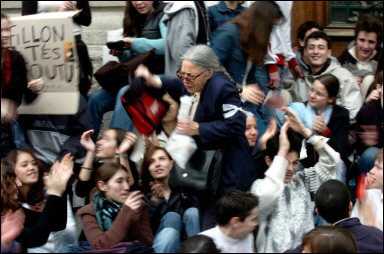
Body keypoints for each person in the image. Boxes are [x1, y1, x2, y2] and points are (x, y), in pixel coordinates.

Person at [135, 45, 256, 230]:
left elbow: (237, 125)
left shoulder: (222, 87)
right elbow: (176, 85)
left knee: (220, 230)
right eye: (182, 74)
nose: (185, 80)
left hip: (228, 174)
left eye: (190, 76)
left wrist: (199, 128)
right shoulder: (191, 83)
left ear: (208, 73)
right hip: (205, 175)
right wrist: (154, 80)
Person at [250, 107, 340, 253]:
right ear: (268, 161)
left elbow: (332, 161)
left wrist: (306, 132)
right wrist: (282, 150)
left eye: (295, 162)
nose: (291, 169)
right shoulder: (259, 186)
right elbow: (266, 197)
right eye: (286, 162)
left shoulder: (303, 180)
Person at [88, 1, 167, 141]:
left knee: (125, 94)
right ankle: (85, 151)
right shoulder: (132, 18)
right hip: (132, 79)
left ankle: (114, 151)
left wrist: (135, 43)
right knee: (95, 100)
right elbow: (130, 60)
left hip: (154, 80)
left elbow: (166, 44)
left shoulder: (163, 15)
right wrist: (122, 54)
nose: (139, 3)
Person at [210, 1, 283, 137]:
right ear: (263, 24)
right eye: (271, 26)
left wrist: (266, 98)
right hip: (224, 105)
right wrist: (240, 90)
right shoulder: (229, 34)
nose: (271, 32)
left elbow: (248, 79)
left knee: (263, 144)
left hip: (244, 104)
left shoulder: (253, 40)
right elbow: (211, 69)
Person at [277, 74, 349, 182]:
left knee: (339, 164)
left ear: (330, 99)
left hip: (328, 162)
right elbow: (294, 147)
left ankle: (337, 198)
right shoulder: (299, 111)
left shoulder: (341, 114)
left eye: (319, 94)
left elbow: (340, 151)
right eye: (312, 90)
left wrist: (325, 132)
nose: (312, 95)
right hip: (303, 161)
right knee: (292, 163)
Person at [5, 149, 77, 253]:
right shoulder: (4, 208)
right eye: (24, 165)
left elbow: (57, 224)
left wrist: (61, 185)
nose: (32, 168)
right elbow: (36, 237)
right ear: (11, 172)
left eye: (34, 163)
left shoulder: (17, 208)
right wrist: (55, 192)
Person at [285, 31, 362, 124]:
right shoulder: (302, 81)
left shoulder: (343, 76)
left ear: (329, 52)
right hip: (305, 132)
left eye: (321, 48)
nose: (315, 52)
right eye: (311, 47)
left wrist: (323, 124)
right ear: (305, 52)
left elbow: (353, 112)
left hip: (336, 132)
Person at [22, 1, 93, 99]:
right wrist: (57, 17)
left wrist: (74, 13)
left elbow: (87, 19)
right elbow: (26, 22)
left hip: (69, 45)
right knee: (51, 86)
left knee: (76, 84)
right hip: (47, 46)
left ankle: (78, 111)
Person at [75, 162, 153, 251]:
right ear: (102, 186)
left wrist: (133, 220)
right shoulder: (89, 212)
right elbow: (100, 246)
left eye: (127, 181)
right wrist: (125, 215)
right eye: (119, 181)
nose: (127, 187)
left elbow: (148, 244)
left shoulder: (138, 206)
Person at [140, 146, 200, 253]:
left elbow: (193, 217)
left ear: (171, 164)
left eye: (162, 159)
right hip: (159, 244)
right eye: (152, 162)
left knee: (192, 212)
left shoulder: (184, 189)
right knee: (172, 217)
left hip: (187, 244)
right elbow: (143, 230)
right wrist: (154, 202)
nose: (157, 164)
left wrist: (185, 196)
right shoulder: (144, 195)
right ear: (148, 169)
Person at [1, 13, 43, 158]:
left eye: (7, 29)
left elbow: (27, 98)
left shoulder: (16, 58)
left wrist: (35, 89)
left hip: (9, 130)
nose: (5, 34)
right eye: (1, 30)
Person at [338, 15, 382, 101]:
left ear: (377, 43)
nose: (365, 46)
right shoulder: (342, 61)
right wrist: (349, 82)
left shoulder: (381, 60)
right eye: (362, 40)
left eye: (371, 42)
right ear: (356, 40)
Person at [163, 1, 210, 77]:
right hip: (185, 79)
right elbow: (181, 51)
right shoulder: (184, 8)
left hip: (193, 77)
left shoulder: (199, 4)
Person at [356, 71, 383, 173]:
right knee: (370, 154)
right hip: (374, 154)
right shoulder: (367, 112)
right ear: (379, 88)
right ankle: (369, 188)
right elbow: (361, 148)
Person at [351, 148, 383, 231]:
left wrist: (367, 203)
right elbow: (355, 232)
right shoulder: (369, 194)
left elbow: (374, 240)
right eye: (374, 166)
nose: (371, 171)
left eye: (379, 168)